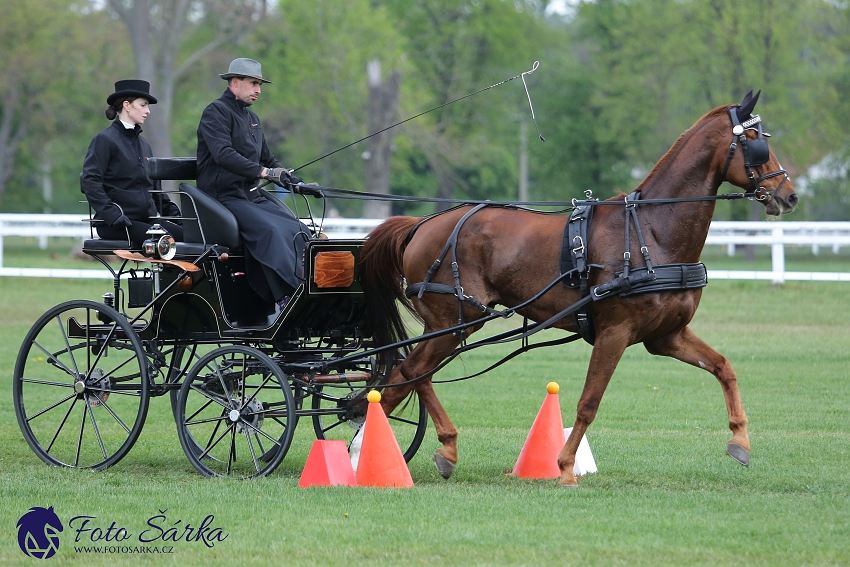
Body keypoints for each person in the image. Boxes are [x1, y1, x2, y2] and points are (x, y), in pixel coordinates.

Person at [197, 58, 314, 308]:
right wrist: (264, 173)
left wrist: (295, 182)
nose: (258, 90)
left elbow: (268, 158)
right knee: (270, 231)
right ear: (235, 82)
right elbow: (223, 155)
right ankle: (287, 294)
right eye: (253, 84)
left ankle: (311, 285)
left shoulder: (252, 119)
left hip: (250, 196)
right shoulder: (215, 112)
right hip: (222, 197)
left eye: (260, 84)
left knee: (298, 229)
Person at [81, 79, 183, 246]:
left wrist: (176, 216)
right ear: (127, 105)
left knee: (194, 238)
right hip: (114, 222)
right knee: (164, 241)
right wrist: (112, 215)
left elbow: (154, 189)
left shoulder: (145, 145)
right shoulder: (105, 140)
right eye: (143, 105)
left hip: (146, 221)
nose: (148, 111)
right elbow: (90, 181)